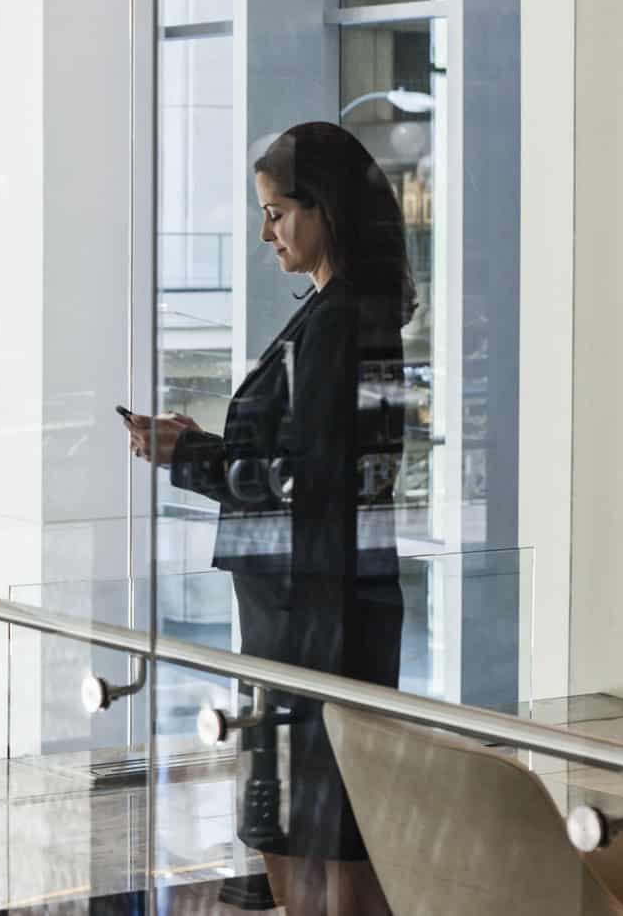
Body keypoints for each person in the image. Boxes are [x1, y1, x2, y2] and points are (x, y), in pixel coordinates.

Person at [125, 121, 413, 916]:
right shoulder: (341, 314)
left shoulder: (340, 322)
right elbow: (309, 464)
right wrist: (201, 445)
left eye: (278, 211)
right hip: (309, 611)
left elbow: (309, 483)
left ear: (324, 211)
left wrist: (187, 459)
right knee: (307, 833)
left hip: (310, 621)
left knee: (311, 838)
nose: (266, 231)